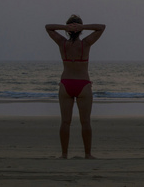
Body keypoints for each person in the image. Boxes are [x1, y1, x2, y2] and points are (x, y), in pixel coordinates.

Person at [45, 15, 105, 159]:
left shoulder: (62, 43)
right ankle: (88, 154)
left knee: (65, 121)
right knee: (85, 122)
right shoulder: (86, 43)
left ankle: (64, 154)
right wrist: (82, 27)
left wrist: (65, 28)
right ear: (80, 29)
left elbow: (48, 27)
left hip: (66, 84)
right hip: (83, 84)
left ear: (69, 29)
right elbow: (101, 27)